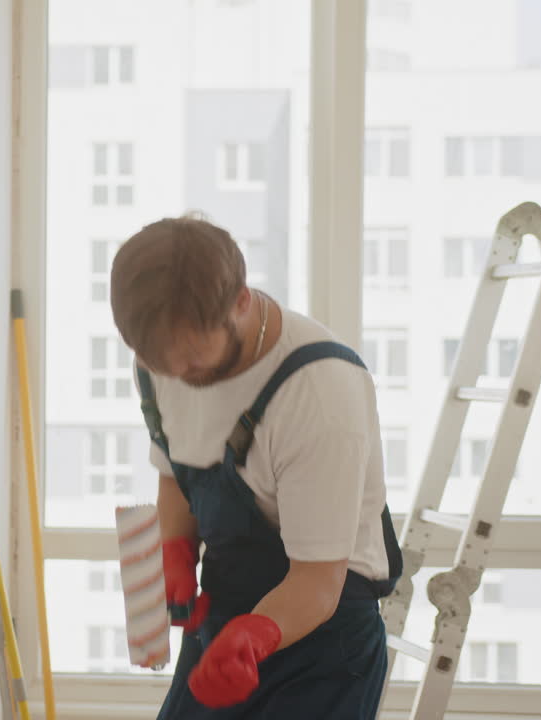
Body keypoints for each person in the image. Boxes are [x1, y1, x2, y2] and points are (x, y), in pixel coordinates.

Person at [109, 214, 402, 719]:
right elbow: (176, 470)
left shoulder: (320, 391)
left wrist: (254, 635)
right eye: (159, 360)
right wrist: (175, 547)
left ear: (241, 300)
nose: (177, 373)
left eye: (194, 357)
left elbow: (318, 583)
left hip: (324, 632)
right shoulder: (158, 362)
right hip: (226, 613)